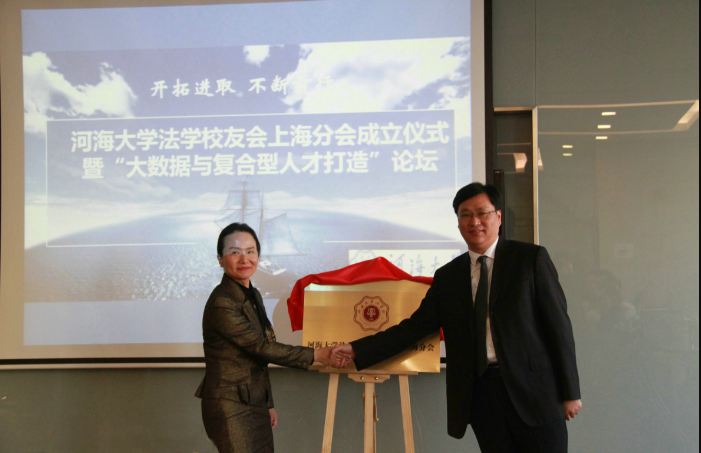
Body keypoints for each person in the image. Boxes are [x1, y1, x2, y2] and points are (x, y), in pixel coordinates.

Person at [332, 183, 582, 453]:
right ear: (458, 222)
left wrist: (570, 392)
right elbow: (413, 328)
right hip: (483, 397)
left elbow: (559, 328)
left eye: (482, 213)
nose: (475, 222)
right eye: (466, 215)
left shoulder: (530, 259)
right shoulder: (448, 276)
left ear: (498, 217)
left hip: (536, 393)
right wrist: (357, 349)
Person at [195, 222, 336, 453]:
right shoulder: (223, 302)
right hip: (231, 406)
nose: (244, 259)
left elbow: (260, 356)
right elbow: (261, 348)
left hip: (254, 402)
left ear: (258, 256)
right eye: (235, 252)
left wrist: (267, 403)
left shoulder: (252, 294)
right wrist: (318, 355)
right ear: (220, 259)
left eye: (250, 251)